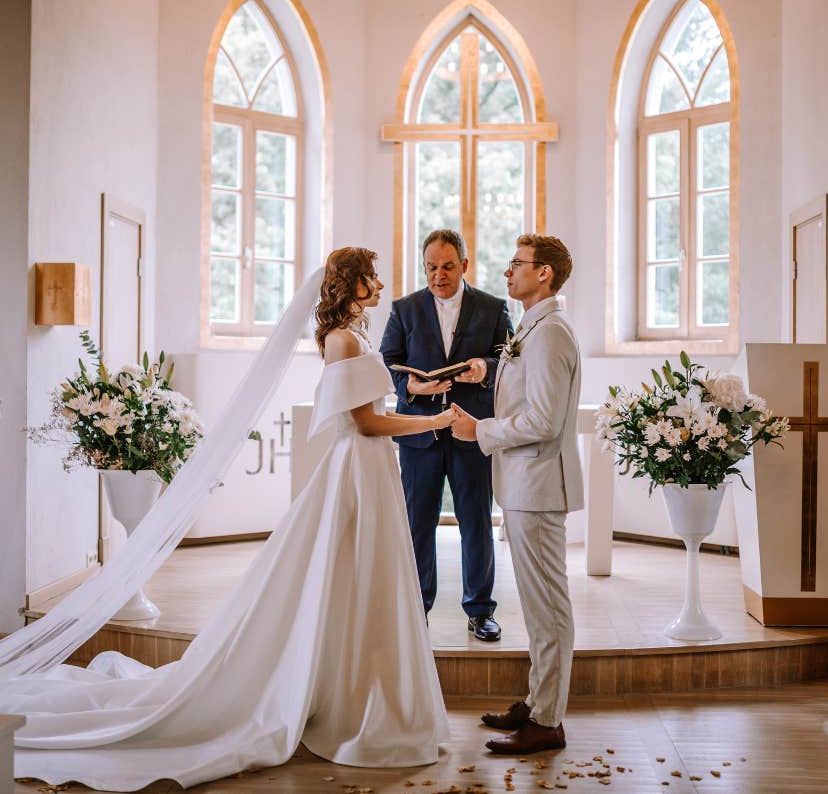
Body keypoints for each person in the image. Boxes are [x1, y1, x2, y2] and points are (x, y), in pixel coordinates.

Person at [2, 248, 454, 790]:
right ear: (349, 283)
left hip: (370, 470)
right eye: (371, 277)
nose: (380, 285)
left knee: (361, 580)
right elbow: (365, 423)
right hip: (358, 469)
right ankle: (347, 698)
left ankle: (353, 690)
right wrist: (436, 421)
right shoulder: (341, 340)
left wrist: (422, 411)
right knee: (348, 576)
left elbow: (374, 414)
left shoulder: (352, 335)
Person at [451, 234, 583, 755]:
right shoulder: (534, 327)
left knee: (548, 607)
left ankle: (548, 722)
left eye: (517, 265)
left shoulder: (550, 334)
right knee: (535, 604)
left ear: (544, 273)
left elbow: (544, 420)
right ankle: (538, 700)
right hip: (525, 484)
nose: (508, 273)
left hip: (539, 485)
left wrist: (480, 432)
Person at [380, 229, 513, 642]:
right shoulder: (404, 309)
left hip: (472, 430)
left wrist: (485, 367)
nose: (439, 275)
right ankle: (417, 608)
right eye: (431, 267)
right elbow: (388, 359)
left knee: (476, 521)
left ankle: (480, 611)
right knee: (418, 523)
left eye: (447, 266)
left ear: (465, 266)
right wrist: (411, 388)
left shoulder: (493, 307)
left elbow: (509, 357)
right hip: (419, 433)